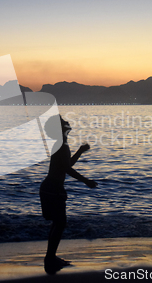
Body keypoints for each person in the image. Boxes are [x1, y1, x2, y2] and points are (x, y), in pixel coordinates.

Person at [40, 115, 98, 275]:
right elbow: (67, 169)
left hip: (50, 189)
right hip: (52, 189)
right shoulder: (61, 146)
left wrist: (79, 151)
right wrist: (86, 181)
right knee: (60, 223)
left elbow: (67, 165)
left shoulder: (61, 145)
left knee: (58, 224)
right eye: (64, 122)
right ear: (61, 129)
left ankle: (50, 258)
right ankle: (50, 259)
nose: (67, 122)